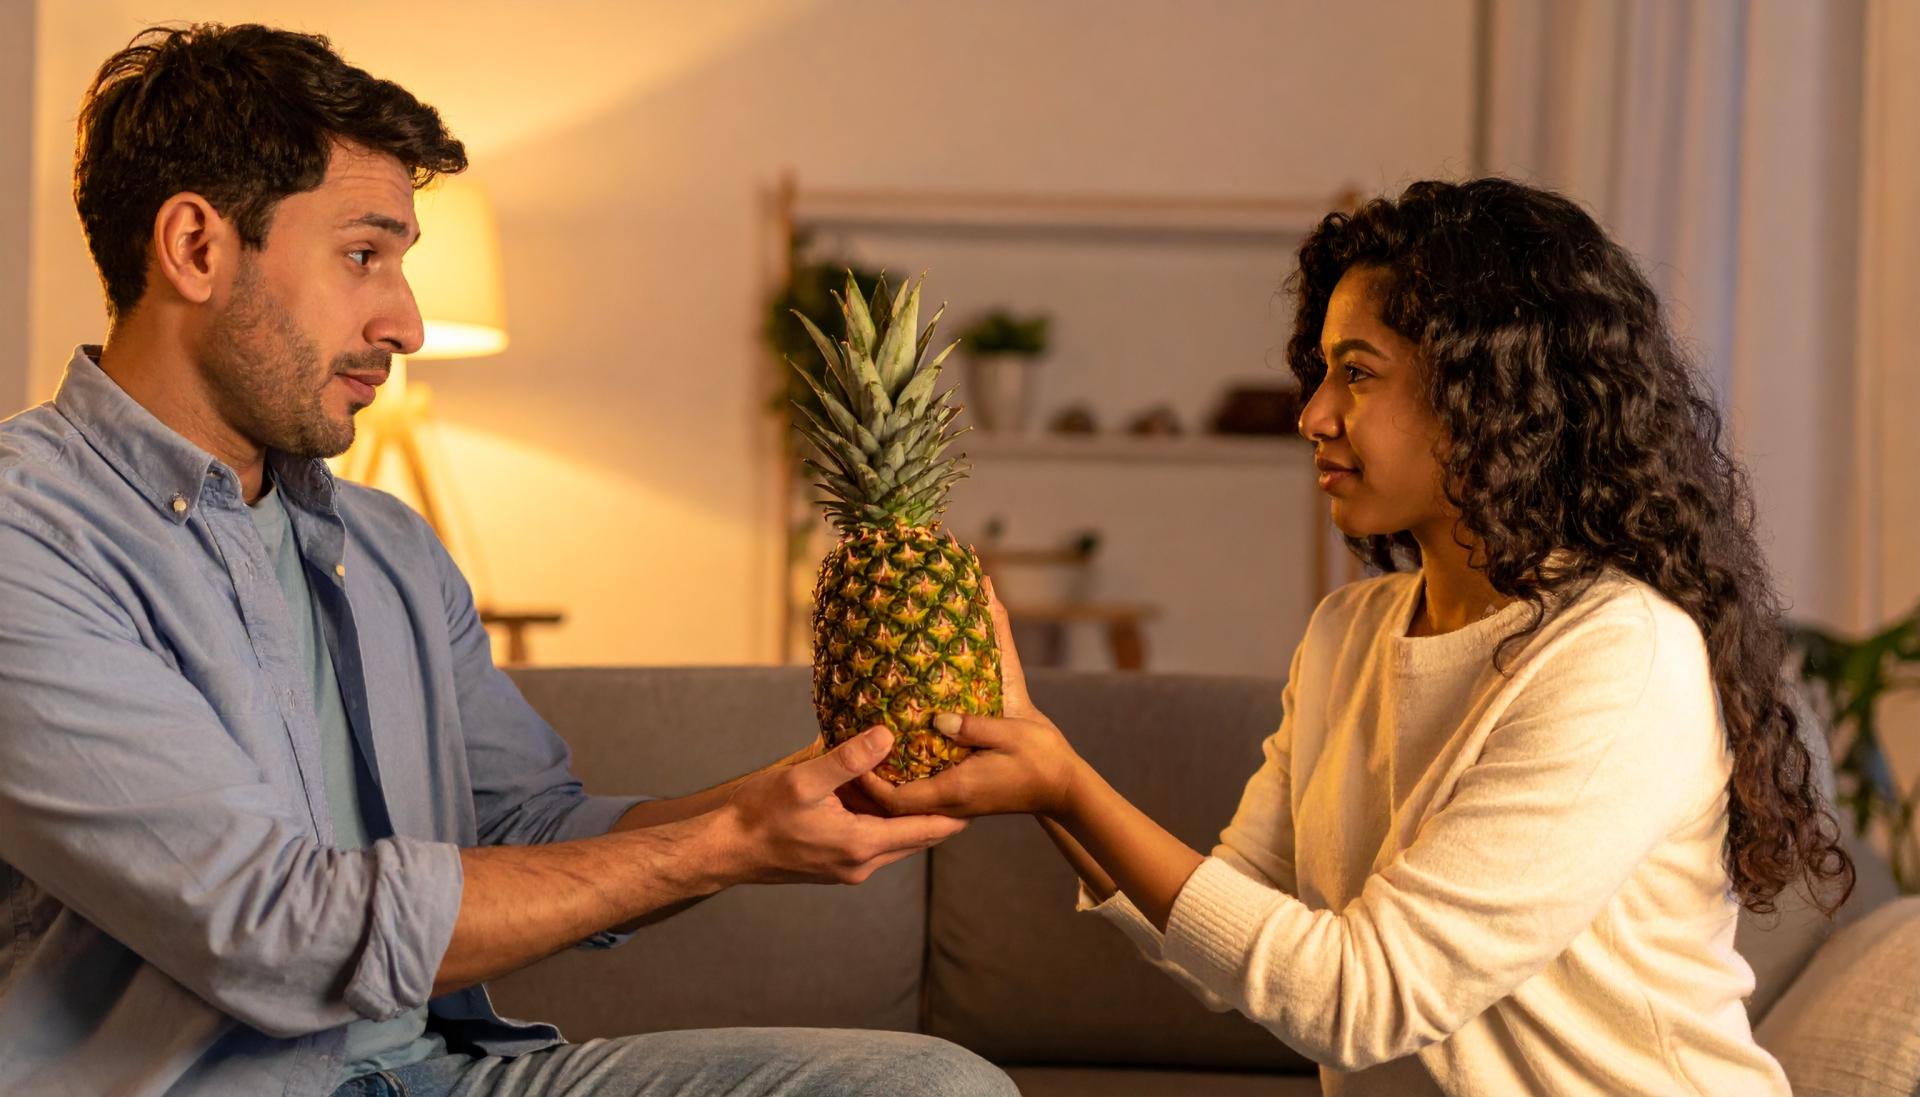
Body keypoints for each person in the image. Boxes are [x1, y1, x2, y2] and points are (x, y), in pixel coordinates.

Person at [0, 23, 1016, 1097]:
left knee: (931, 1086)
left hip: (440, 1074)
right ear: (197, 247)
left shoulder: (387, 547)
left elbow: (526, 830)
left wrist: (792, 797)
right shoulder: (31, 538)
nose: (408, 320)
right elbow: (271, 928)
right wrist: (729, 841)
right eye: (363, 255)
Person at [866, 178, 1857, 1096]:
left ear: (1492, 391)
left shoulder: (1620, 655)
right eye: (1319, 371)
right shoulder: (1351, 630)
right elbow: (1226, 927)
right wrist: (1032, 752)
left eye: (1358, 374)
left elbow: (1361, 995)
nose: (1314, 414)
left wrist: (1064, 780)